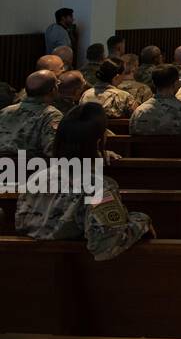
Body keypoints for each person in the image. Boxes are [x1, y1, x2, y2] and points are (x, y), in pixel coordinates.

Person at [15, 103, 153, 260]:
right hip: (77, 272)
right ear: (99, 142)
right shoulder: (98, 187)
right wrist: (141, 221)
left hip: (29, 270)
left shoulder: (37, 179)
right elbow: (107, 243)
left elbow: (22, 225)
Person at [0, 70, 62, 155]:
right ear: (53, 90)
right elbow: (53, 151)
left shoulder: (5, 111)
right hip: (30, 166)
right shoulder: (51, 115)